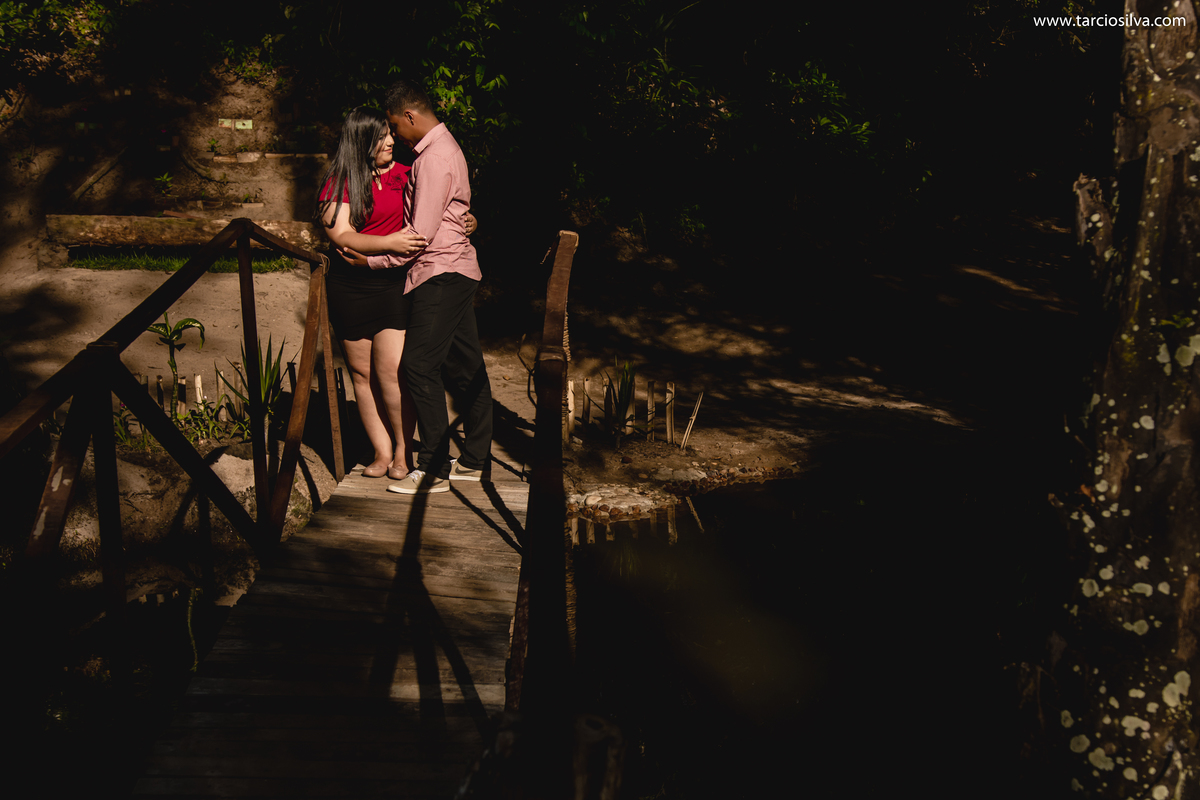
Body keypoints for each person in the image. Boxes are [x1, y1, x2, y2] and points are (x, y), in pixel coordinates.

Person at [341, 79, 492, 495]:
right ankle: (476, 459)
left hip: (439, 271)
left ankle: (433, 468)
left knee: (418, 365)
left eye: (394, 125)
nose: (394, 135)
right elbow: (453, 212)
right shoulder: (444, 151)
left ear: (409, 116)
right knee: (466, 366)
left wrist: (372, 260)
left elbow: (419, 235)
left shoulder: (433, 158)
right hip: (455, 267)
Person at [315, 106, 476, 481]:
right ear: (361, 141)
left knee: (391, 371)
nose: (391, 140)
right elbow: (340, 235)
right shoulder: (339, 181)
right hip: (348, 285)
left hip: (391, 282)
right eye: (382, 136)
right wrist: (388, 240)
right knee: (361, 373)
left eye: (390, 133)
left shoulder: (409, 173)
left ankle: (404, 451)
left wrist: (470, 218)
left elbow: (445, 206)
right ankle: (381, 451)